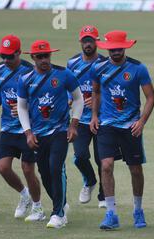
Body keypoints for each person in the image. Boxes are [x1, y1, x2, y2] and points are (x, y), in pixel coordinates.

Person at [89, 30, 154, 230]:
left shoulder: (138, 68)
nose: (116, 52)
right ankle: (111, 213)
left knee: (135, 169)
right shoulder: (98, 68)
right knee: (106, 165)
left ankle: (138, 209)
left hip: (130, 126)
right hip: (107, 125)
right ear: (107, 49)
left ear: (125, 48)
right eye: (112, 49)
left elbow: (151, 97)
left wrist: (142, 121)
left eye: (119, 49)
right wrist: (94, 115)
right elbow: (96, 91)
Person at [17, 40, 84, 229]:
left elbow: (78, 99)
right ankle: (60, 203)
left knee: (56, 167)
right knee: (45, 173)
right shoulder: (25, 79)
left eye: (46, 55)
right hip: (38, 134)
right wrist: (28, 133)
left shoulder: (64, 74)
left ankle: (58, 215)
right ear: (33, 58)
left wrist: (74, 125)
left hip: (60, 131)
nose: (44, 60)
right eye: (40, 57)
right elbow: (22, 107)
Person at [0, 34, 43, 221]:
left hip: (28, 128)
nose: (5, 60)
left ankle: (38, 207)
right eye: (2, 55)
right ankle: (25, 195)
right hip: (7, 128)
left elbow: (39, 99)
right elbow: (0, 90)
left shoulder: (31, 71)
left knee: (28, 169)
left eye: (10, 56)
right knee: (3, 168)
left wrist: (23, 108)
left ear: (19, 53)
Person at [67, 25, 109, 208]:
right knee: (80, 156)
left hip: (102, 118)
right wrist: (70, 100)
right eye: (85, 40)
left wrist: (98, 101)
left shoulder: (105, 64)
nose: (88, 44)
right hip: (80, 119)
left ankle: (103, 195)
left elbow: (111, 90)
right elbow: (69, 86)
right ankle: (90, 181)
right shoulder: (72, 64)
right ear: (81, 42)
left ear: (97, 42)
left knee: (103, 160)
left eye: (91, 40)